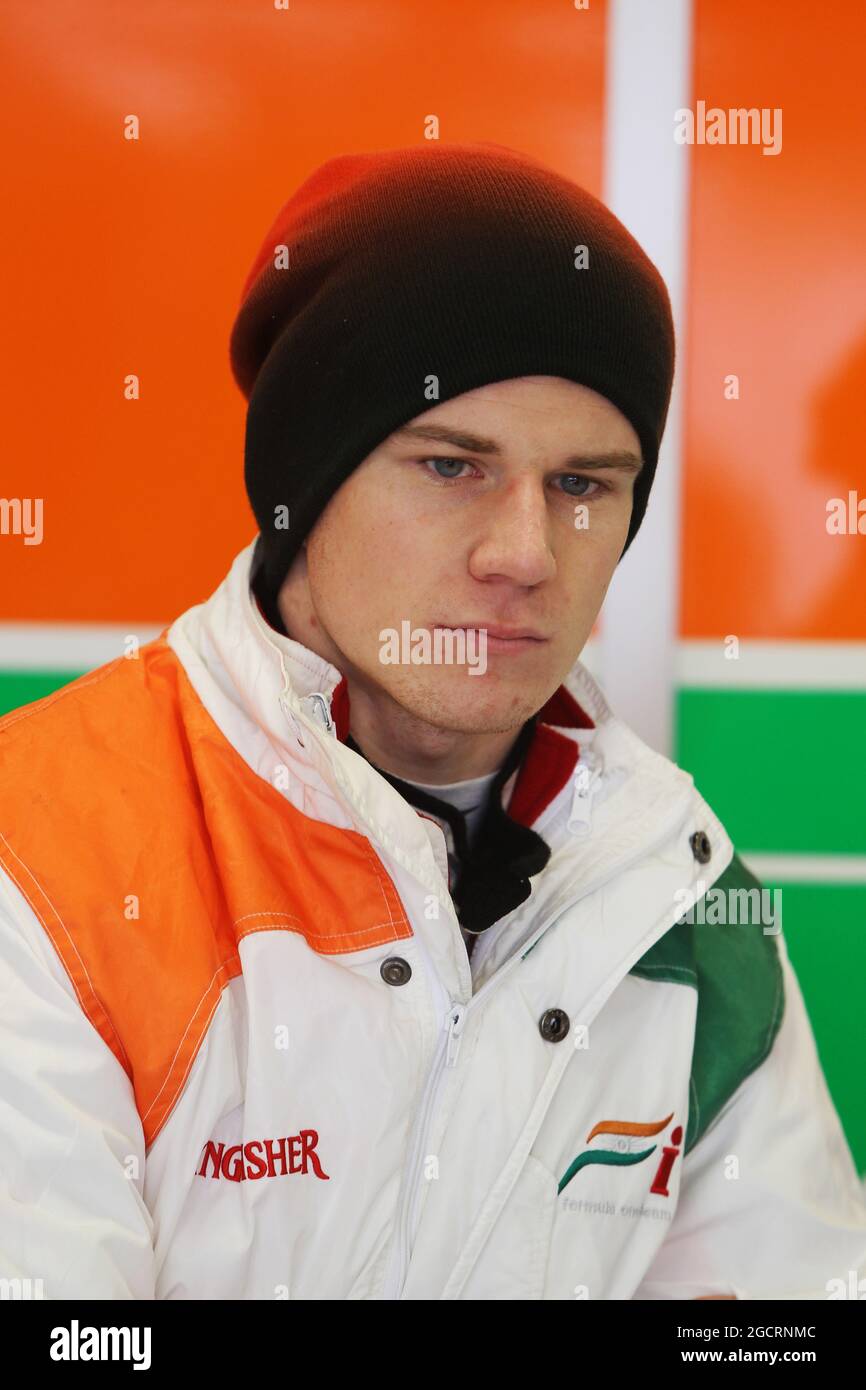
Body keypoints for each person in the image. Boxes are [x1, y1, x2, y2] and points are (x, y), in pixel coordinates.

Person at [1, 142, 864, 1301]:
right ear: (301, 485)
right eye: (451, 466)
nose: (523, 555)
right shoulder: (41, 856)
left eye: (581, 486)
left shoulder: (679, 899)